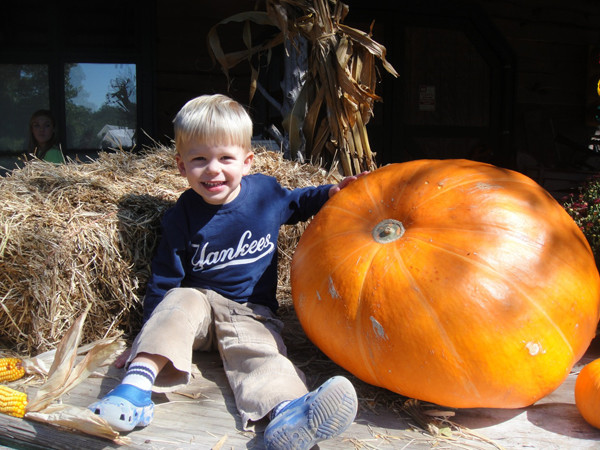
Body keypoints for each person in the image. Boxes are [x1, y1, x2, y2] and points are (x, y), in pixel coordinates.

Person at [88, 94, 363, 449]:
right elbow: (164, 280)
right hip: (199, 313)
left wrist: (331, 193)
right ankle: (134, 390)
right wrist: (144, 337)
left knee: (260, 352)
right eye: (199, 159)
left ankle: (287, 414)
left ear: (247, 161)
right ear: (181, 166)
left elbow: (298, 202)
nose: (213, 169)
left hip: (250, 312)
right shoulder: (182, 214)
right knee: (178, 299)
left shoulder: (266, 193)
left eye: (225, 158)